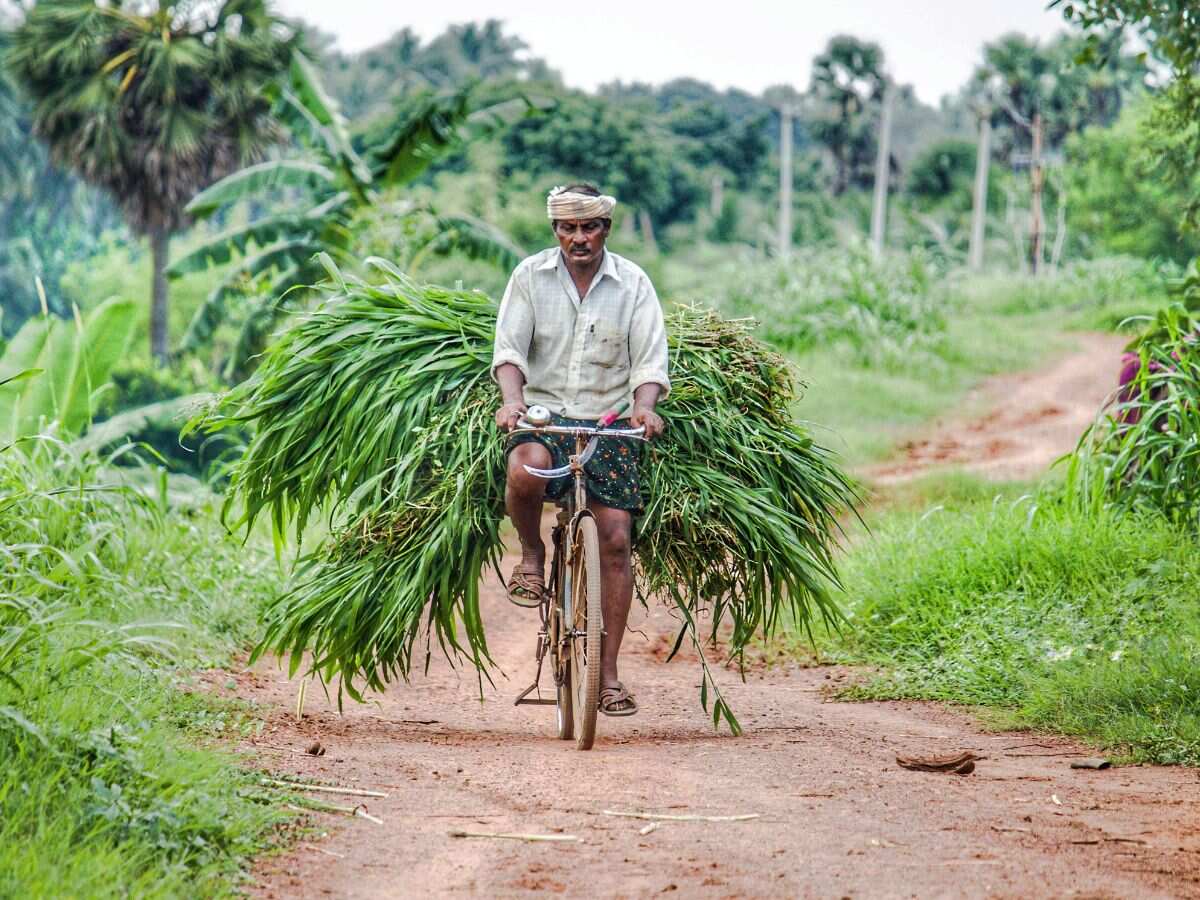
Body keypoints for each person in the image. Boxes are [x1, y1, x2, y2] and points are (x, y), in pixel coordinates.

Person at [491, 183, 669, 717]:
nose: (579, 238)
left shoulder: (633, 283)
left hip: (608, 424)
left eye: (589, 227)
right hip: (545, 417)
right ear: (555, 231)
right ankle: (531, 555)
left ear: (605, 229)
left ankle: (607, 676)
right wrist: (512, 402)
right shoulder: (530, 276)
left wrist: (644, 406)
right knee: (525, 469)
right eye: (568, 228)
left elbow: (649, 361)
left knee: (614, 539)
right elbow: (509, 351)